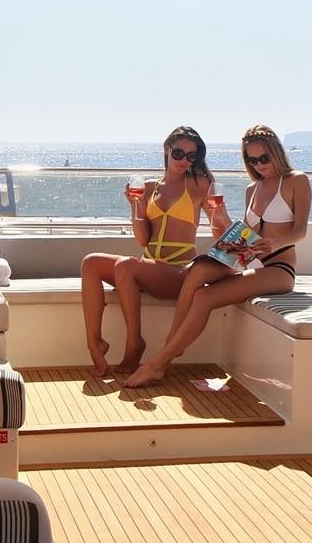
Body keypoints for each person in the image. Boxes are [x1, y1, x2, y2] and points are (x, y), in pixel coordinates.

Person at [125, 125, 310, 387]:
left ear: (277, 153)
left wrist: (275, 242)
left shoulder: (296, 181)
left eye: (264, 158)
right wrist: (222, 218)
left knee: (205, 296)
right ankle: (169, 349)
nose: (259, 165)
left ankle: (160, 361)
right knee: (198, 269)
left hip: (278, 266)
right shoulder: (251, 189)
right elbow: (247, 234)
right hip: (247, 255)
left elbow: (300, 230)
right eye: (252, 160)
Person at [81, 126, 221, 376]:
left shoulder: (200, 184)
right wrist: (136, 205)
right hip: (150, 267)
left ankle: (135, 344)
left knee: (125, 265)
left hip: (180, 273)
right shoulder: (148, 186)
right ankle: (94, 341)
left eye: (191, 156)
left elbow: (217, 224)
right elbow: (143, 238)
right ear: (166, 149)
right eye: (178, 153)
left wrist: (230, 256)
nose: (184, 161)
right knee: (91, 262)